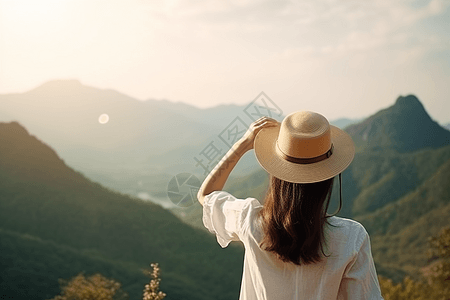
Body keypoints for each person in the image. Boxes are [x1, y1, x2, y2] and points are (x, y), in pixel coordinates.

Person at [197, 111, 383, 300]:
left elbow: (206, 195)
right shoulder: (351, 237)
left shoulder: (249, 220)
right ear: (328, 178)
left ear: (277, 173)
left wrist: (243, 144)